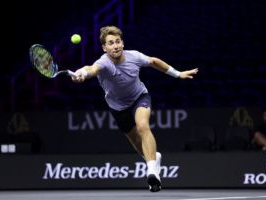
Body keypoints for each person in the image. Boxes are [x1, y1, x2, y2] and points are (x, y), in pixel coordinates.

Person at [71, 26, 198, 192]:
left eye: (117, 42)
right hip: (117, 106)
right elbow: (91, 69)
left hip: (139, 97)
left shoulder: (135, 56)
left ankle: (152, 171)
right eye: (110, 43)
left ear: (122, 43)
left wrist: (178, 74)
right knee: (134, 140)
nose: (115, 45)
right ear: (104, 48)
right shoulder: (103, 63)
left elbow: (153, 61)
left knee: (142, 126)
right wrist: (81, 73)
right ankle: (154, 157)